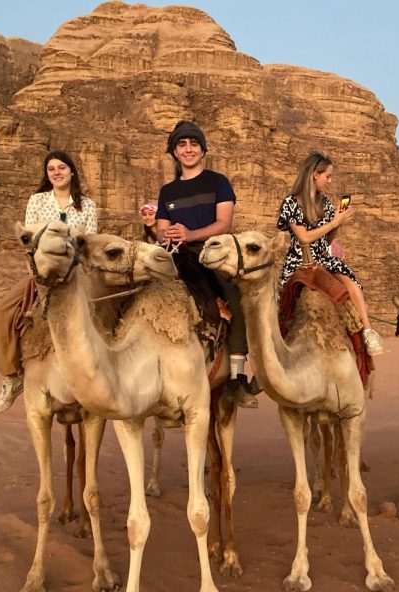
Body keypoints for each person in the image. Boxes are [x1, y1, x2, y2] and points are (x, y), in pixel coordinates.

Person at [154, 120, 257, 408]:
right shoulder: (168, 191)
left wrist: (190, 234)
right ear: (174, 152)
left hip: (211, 251)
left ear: (203, 149)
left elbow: (224, 223)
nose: (188, 150)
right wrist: (169, 234)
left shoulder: (218, 182)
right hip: (176, 253)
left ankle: (237, 376)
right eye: (182, 145)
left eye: (193, 144)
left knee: (237, 298)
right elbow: (161, 230)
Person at [0, 150, 98, 414]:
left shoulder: (87, 205)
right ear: (47, 174)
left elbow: (89, 242)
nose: (57, 172)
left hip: (75, 274)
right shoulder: (37, 201)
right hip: (42, 274)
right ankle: (11, 376)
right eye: (51, 169)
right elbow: (29, 240)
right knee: (0, 316)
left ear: (72, 171)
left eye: (62, 167)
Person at [276, 151, 384, 356]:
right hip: (299, 261)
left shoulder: (324, 203)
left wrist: (337, 222)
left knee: (351, 284)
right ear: (315, 174)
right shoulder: (290, 203)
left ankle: (368, 331)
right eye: (328, 176)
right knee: (279, 306)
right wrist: (334, 222)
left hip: (323, 259)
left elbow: (325, 240)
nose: (330, 181)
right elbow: (304, 237)